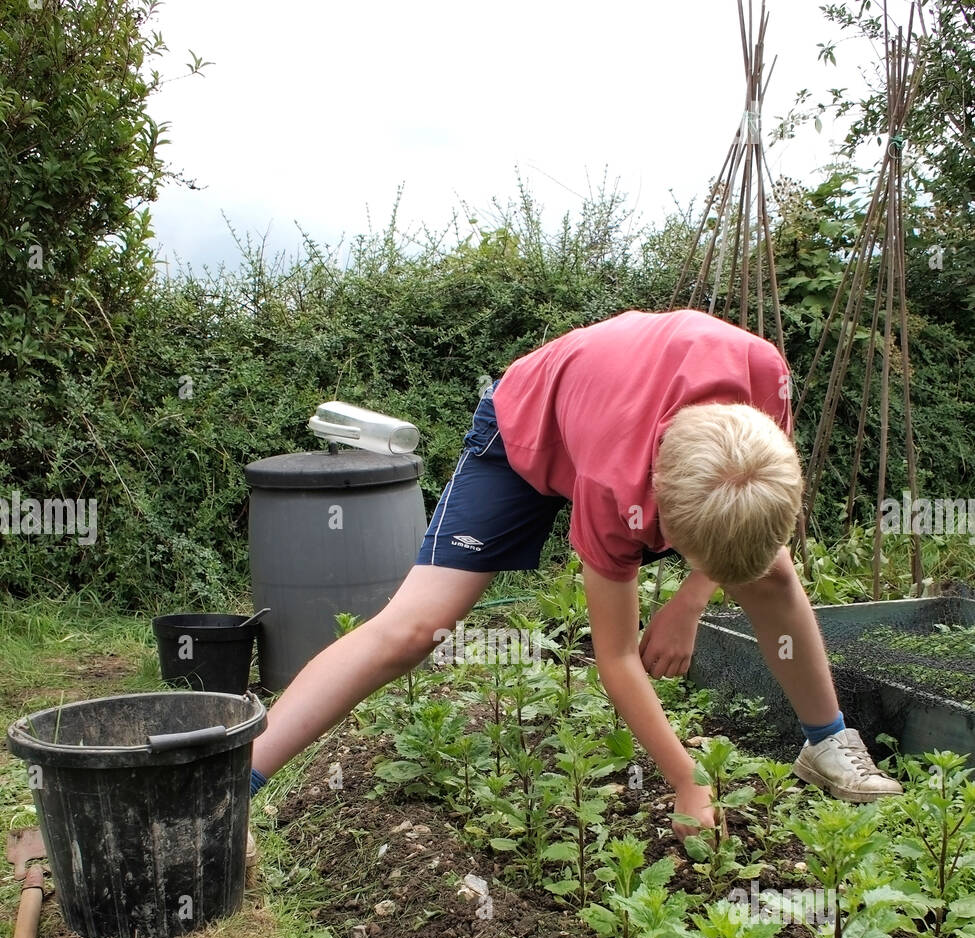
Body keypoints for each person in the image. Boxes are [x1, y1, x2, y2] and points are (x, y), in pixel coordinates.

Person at [247, 308, 901, 844]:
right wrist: (685, 780)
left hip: (619, 404)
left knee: (775, 578)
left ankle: (826, 742)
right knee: (415, 628)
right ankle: (234, 777)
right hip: (525, 425)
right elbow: (614, 656)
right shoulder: (612, 488)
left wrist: (692, 601)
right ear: (658, 515)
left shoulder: (762, 385)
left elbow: (747, 540)